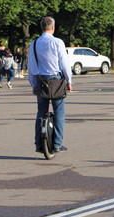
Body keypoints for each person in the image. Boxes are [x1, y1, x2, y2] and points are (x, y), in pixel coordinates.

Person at [28, 16, 72, 153]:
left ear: (42, 27)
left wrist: (33, 83)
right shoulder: (58, 42)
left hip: (41, 80)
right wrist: (69, 80)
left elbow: (31, 66)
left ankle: (39, 144)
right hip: (56, 80)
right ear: (52, 27)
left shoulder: (34, 43)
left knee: (41, 112)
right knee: (59, 112)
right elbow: (64, 63)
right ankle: (57, 143)